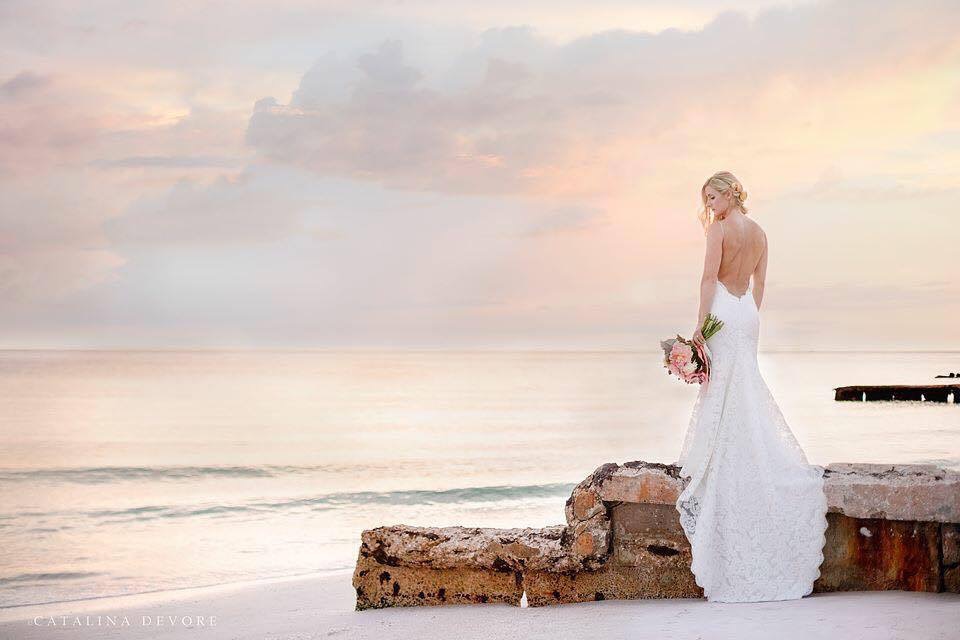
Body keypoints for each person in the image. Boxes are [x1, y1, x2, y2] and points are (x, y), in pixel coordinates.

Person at [674, 171, 829, 603]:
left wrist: (701, 328)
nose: (710, 205)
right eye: (706, 199)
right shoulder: (761, 233)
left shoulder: (719, 231)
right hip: (747, 315)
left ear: (730, 193)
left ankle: (722, 460)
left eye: (713, 196)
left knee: (722, 389)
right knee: (743, 386)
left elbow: (708, 279)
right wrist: (747, 317)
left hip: (722, 310)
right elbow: (760, 286)